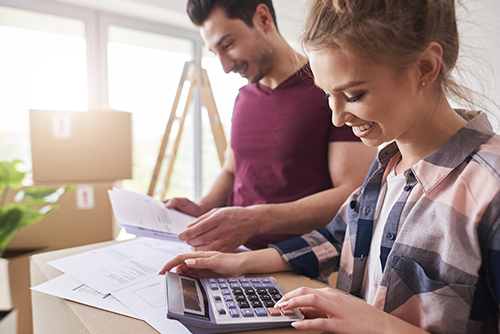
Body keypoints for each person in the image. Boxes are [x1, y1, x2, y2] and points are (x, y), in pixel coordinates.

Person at [160, 0, 500, 332]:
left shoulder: (491, 188)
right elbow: (338, 239)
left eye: (353, 95)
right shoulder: (386, 166)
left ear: (425, 68)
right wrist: (239, 263)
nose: (337, 117)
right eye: (326, 95)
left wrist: (377, 325)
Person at [164, 0, 376, 252]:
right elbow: (232, 171)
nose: (225, 66)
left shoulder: (328, 90)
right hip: (232, 254)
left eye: (228, 45)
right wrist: (201, 208)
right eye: (215, 53)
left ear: (263, 18)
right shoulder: (243, 97)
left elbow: (351, 194)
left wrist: (255, 220)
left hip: (296, 260)